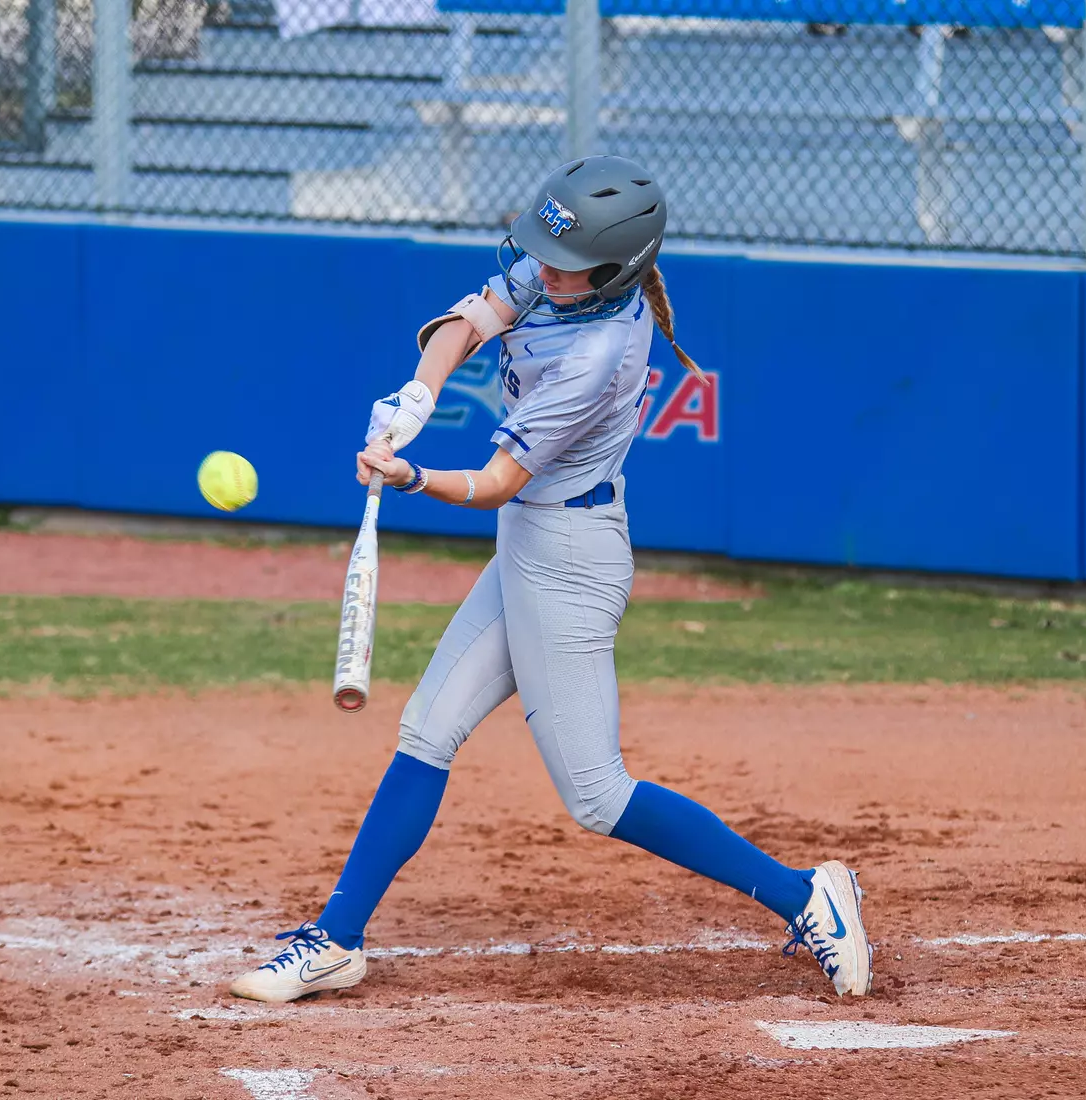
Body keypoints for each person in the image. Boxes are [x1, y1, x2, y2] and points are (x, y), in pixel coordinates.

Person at [227, 155, 872, 1003]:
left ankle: (804, 896)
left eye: (568, 264)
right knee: (427, 731)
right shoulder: (562, 273)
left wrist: (411, 476)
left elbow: (497, 482)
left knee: (597, 796)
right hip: (530, 542)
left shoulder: (600, 352)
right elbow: (466, 324)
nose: (546, 271)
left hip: (570, 560)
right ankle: (336, 940)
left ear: (615, 271)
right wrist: (415, 398)